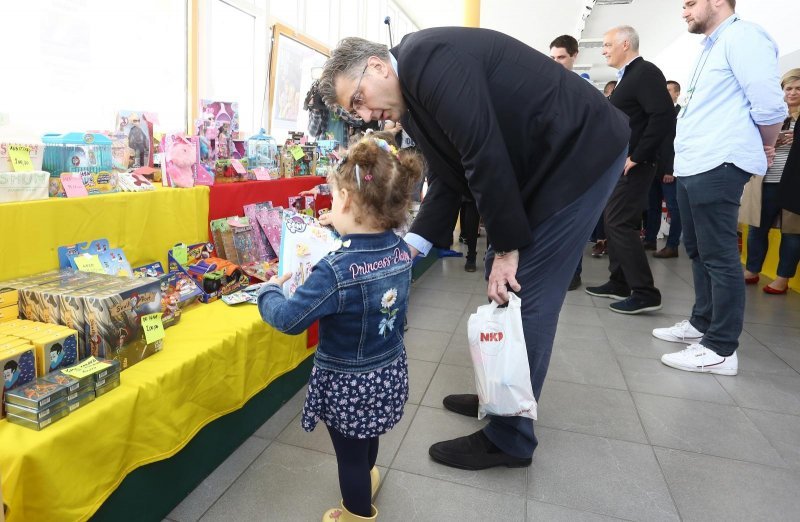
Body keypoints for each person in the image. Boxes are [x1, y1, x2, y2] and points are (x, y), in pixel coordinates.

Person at [319, 28, 629, 471]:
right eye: (356, 111)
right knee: (499, 278)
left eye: (359, 100)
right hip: (544, 161)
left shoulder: (429, 59)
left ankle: (510, 438)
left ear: (376, 66)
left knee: (525, 289)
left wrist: (507, 248)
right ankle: (497, 394)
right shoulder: (412, 95)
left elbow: (483, 150)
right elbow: (449, 174)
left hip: (581, 153)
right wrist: (411, 247)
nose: (366, 115)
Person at [258, 137, 422, 521]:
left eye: (332, 200)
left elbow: (289, 319)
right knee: (368, 435)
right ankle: (368, 478)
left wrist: (268, 290)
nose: (330, 208)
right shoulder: (401, 250)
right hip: (387, 369)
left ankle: (355, 512)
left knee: (347, 454)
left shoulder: (334, 270)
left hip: (347, 383)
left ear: (347, 200)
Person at [654, 0, 787, 375]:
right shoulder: (711, 46)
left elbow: (770, 106)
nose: (684, 11)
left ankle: (721, 347)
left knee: (719, 254)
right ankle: (702, 323)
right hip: (694, 164)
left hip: (719, 161)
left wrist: (766, 143)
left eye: (690, 3)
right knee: (697, 250)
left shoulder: (744, 36)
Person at [585, 25, 674, 314]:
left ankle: (645, 292)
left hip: (635, 164)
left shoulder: (645, 72)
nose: (603, 50)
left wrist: (638, 155)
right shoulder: (628, 78)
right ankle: (619, 281)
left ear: (625, 44)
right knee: (618, 221)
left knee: (618, 222)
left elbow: (662, 116)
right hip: (621, 164)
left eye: (608, 44)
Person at [740, 68, 800, 294]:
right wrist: (772, 143)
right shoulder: (775, 117)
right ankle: (752, 270)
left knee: (792, 233)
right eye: (789, 88)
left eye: (798, 88)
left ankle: (783, 278)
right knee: (757, 227)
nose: (793, 93)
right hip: (766, 182)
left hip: (794, 184)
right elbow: (752, 144)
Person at [549, 34, 589, 290]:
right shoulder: (545, 84)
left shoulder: (582, 87)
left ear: (574, 56)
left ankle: (573, 273)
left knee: (573, 224)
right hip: (550, 162)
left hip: (575, 163)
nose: (556, 62)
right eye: (552, 57)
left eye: (561, 57)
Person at [645, 80, 683, 258]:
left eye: (669, 90)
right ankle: (650, 239)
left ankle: (672, 245)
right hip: (653, 168)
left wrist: (671, 170)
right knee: (653, 207)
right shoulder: (657, 113)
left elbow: (678, 144)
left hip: (669, 170)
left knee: (674, 209)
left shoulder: (681, 115)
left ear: (677, 94)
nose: (665, 93)